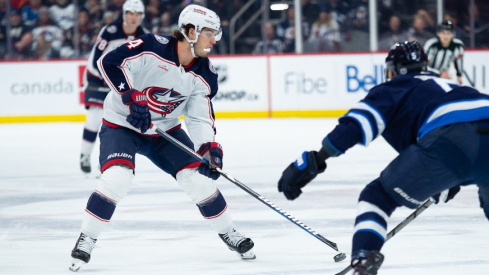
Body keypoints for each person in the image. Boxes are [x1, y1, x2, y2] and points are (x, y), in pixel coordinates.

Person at [69, 4, 256, 272]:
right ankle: (87, 237)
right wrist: (130, 97)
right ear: (191, 31)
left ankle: (229, 232)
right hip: (123, 123)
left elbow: (199, 117)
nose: (215, 40)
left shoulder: (205, 74)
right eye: (210, 34)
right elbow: (109, 62)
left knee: (198, 179)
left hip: (164, 131)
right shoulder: (151, 46)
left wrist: (208, 148)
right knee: (117, 178)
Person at [277, 41, 489, 275]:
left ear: (393, 70)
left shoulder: (395, 87)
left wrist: (315, 160)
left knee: (377, 196)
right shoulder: (451, 85)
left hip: (450, 138)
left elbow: (354, 127)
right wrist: (449, 178)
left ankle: (363, 260)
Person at [79, 0, 148, 174]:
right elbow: (96, 59)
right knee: (95, 117)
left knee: (117, 122)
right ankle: (84, 155)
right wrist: (109, 78)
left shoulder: (144, 36)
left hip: (119, 82)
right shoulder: (110, 31)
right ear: (124, 14)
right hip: (97, 77)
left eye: (137, 14)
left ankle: (106, 159)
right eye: (130, 13)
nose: (134, 18)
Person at [424, 21, 464, 85]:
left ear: (453, 34)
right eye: (443, 33)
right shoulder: (431, 45)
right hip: (428, 77)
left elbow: (458, 61)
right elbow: (424, 65)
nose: (445, 36)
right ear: (438, 33)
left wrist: (459, 76)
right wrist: (438, 73)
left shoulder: (458, 46)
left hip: (445, 77)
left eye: (448, 33)